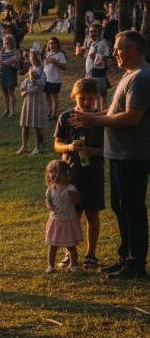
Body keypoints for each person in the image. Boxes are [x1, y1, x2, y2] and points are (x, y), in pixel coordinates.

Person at [71, 31, 150, 280]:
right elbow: (116, 109)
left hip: (133, 155)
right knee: (120, 207)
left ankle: (136, 264)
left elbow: (132, 117)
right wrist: (93, 114)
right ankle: (125, 258)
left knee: (132, 209)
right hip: (119, 154)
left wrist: (94, 119)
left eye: (119, 48)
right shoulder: (129, 75)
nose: (114, 52)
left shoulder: (142, 77)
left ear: (134, 49)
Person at [54, 78, 104, 269]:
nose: (86, 103)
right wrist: (69, 146)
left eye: (90, 99)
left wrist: (90, 151)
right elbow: (56, 145)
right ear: (74, 96)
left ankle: (91, 254)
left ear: (96, 98)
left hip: (93, 173)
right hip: (70, 175)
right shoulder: (65, 117)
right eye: (82, 99)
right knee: (72, 216)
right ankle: (70, 252)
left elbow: (107, 149)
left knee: (92, 213)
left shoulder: (101, 119)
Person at [43, 160, 82, 273]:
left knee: (71, 246)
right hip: (55, 221)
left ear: (66, 174)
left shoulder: (70, 188)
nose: (54, 175)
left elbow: (77, 201)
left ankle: (74, 265)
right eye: (51, 172)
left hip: (68, 221)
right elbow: (48, 200)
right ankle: (50, 266)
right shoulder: (51, 189)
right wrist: (49, 206)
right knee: (52, 246)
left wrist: (74, 198)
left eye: (58, 172)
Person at [77, 23, 111, 111]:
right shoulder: (92, 43)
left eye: (94, 32)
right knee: (93, 95)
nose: (92, 34)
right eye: (90, 32)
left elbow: (106, 57)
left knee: (100, 96)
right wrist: (81, 52)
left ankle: (102, 114)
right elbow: (86, 57)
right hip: (89, 72)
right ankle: (96, 113)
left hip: (98, 73)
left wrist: (97, 57)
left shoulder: (103, 43)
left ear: (100, 32)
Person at [18, 57, 46, 155]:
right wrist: (23, 92)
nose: (33, 59)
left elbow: (41, 85)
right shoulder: (29, 72)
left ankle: (37, 147)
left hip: (37, 102)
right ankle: (24, 146)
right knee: (25, 125)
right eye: (31, 57)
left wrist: (33, 79)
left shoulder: (42, 72)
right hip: (27, 102)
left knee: (36, 125)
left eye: (35, 57)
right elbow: (23, 88)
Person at [43, 37, 67, 120]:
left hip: (55, 79)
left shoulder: (60, 55)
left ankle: (54, 114)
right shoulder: (48, 54)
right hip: (46, 78)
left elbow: (64, 67)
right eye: (50, 43)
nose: (52, 45)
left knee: (54, 97)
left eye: (53, 43)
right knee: (47, 96)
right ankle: (50, 111)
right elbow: (45, 66)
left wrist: (56, 63)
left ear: (57, 44)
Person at [0, 34, 20, 117]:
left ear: (12, 41)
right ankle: (6, 110)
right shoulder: (2, 51)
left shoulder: (15, 51)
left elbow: (17, 63)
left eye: (8, 41)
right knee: (5, 93)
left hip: (11, 73)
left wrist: (9, 63)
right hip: (2, 72)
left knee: (11, 92)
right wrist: (0, 61)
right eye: (5, 41)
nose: (6, 42)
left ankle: (12, 111)